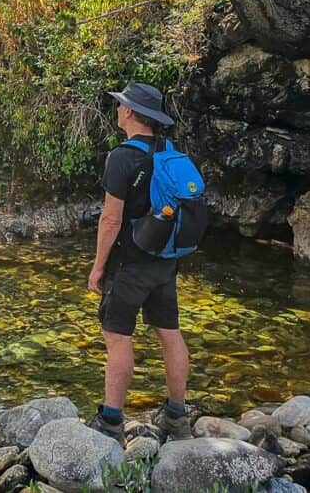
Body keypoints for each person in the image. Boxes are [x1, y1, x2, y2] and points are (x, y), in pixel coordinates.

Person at [86, 82, 193, 446]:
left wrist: (98, 267)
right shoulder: (168, 151)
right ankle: (178, 416)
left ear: (130, 112)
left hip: (129, 264)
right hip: (165, 262)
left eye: (121, 106)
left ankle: (111, 422)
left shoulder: (122, 157)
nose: (118, 110)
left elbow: (111, 220)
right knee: (169, 333)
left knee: (117, 337)